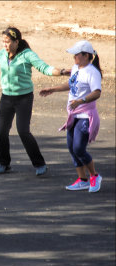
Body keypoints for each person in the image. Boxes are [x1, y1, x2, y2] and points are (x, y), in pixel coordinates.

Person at [0, 27, 69, 176]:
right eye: (3, 41)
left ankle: (39, 164)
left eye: (8, 42)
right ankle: (4, 164)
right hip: (7, 98)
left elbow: (45, 68)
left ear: (16, 41)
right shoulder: (2, 54)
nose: (5, 45)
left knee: (23, 131)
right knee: (1, 132)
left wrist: (61, 72)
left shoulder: (27, 55)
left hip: (24, 98)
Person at [39, 40, 102, 192]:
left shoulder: (93, 72)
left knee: (79, 148)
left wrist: (81, 100)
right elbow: (71, 84)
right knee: (72, 149)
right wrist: (53, 89)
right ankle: (82, 180)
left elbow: (97, 92)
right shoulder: (75, 68)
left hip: (85, 115)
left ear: (86, 55)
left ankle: (95, 176)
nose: (74, 57)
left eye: (77, 54)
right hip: (73, 115)